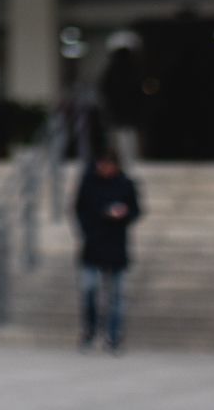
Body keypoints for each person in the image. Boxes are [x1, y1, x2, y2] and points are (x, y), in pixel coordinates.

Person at [74, 149, 142, 353]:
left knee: (116, 296)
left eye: (108, 165)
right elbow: (79, 209)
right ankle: (90, 330)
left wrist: (124, 214)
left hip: (116, 246)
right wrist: (93, 225)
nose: (104, 169)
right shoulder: (89, 183)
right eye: (101, 165)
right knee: (89, 289)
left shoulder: (125, 184)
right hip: (93, 245)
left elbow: (136, 210)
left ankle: (113, 335)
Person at [97, 33, 146, 165]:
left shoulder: (114, 70)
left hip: (121, 110)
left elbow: (104, 89)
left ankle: (125, 161)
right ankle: (126, 161)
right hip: (123, 110)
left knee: (123, 136)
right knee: (125, 136)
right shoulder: (131, 69)